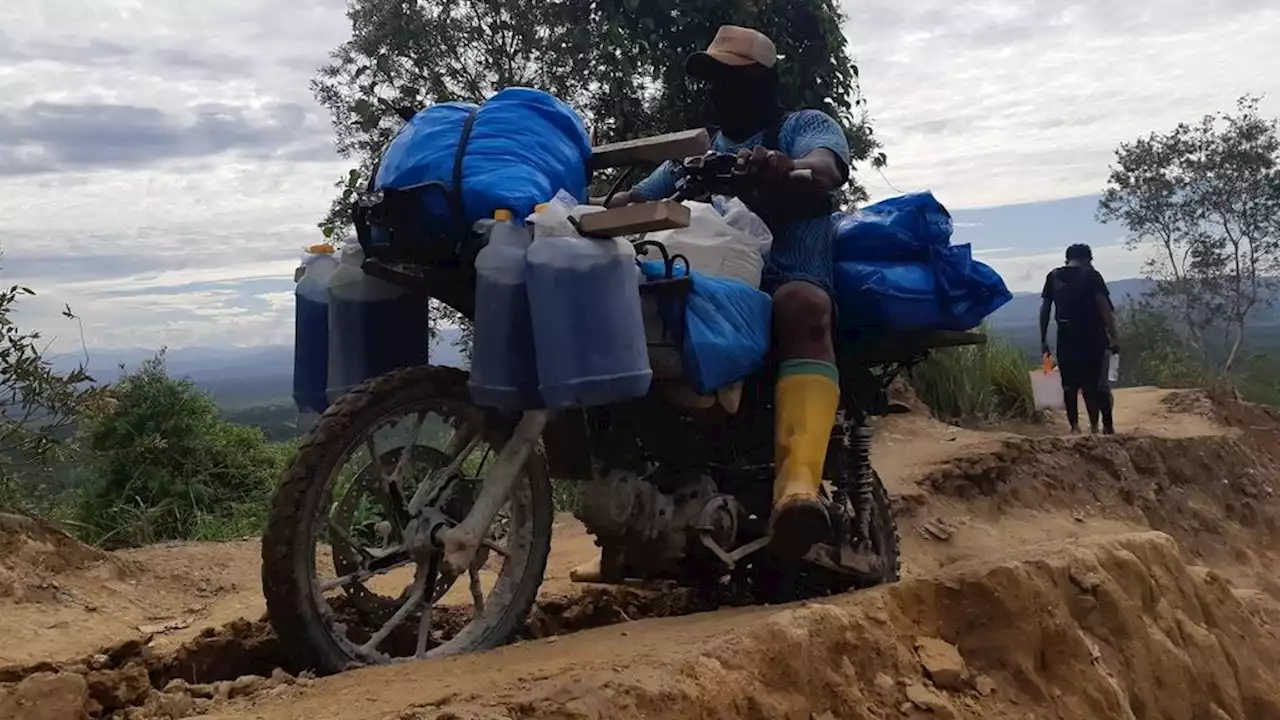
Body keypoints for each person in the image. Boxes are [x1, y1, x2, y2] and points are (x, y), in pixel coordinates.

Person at [599, 26, 852, 561]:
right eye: (714, 79)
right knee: (633, 307)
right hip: (713, 278)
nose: (720, 90)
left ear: (765, 81)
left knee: (802, 306)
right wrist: (600, 203)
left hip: (786, 272)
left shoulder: (800, 126)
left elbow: (826, 165)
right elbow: (638, 198)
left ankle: (798, 486)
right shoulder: (699, 149)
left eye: (732, 78)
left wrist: (791, 168)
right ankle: (636, 506)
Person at [1039, 244, 1120, 434]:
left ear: (1067, 259)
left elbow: (1045, 310)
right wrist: (1114, 336)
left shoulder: (1053, 276)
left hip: (1065, 338)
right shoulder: (1092, 276)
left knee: (1069, 385)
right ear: (1088, 259)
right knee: (1096, 385)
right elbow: (1104, 308)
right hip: (1093, 337)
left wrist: (1043, 339)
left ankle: (1074, 427)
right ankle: (1100, 426)